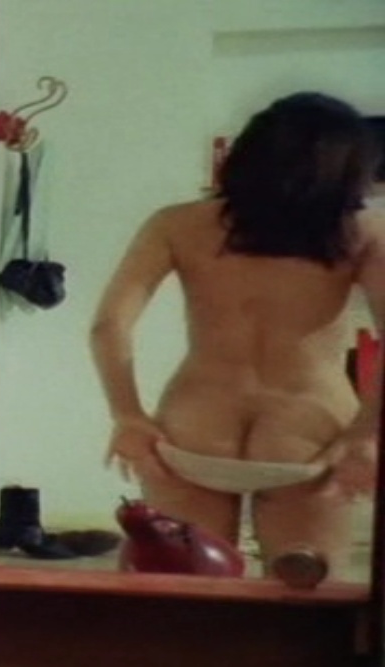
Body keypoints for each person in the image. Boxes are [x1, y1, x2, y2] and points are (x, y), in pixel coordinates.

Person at [90, 92, 385, 579]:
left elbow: (109, 325)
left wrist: (128, 415)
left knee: (185, 600)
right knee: (306, 604)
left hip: (194, 429)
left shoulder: (176, 224)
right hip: (307, 435)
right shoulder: (362, 233)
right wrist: (364, 435)